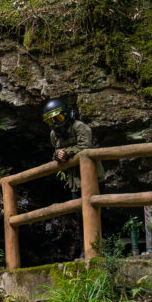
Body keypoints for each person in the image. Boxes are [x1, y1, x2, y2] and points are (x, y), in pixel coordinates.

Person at [42, 98, 104, 257]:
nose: (56, 123)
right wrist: (58, 154)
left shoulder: (80, 127)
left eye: (59, 118)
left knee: (97, 213)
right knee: (80, 216)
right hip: (75, 183)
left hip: (93, 179)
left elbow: (85, 147)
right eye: (52, 120)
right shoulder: (54, 135)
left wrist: (67, 152)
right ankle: (86, 250)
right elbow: (55, 151)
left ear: (66, 115)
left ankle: (101, 250)